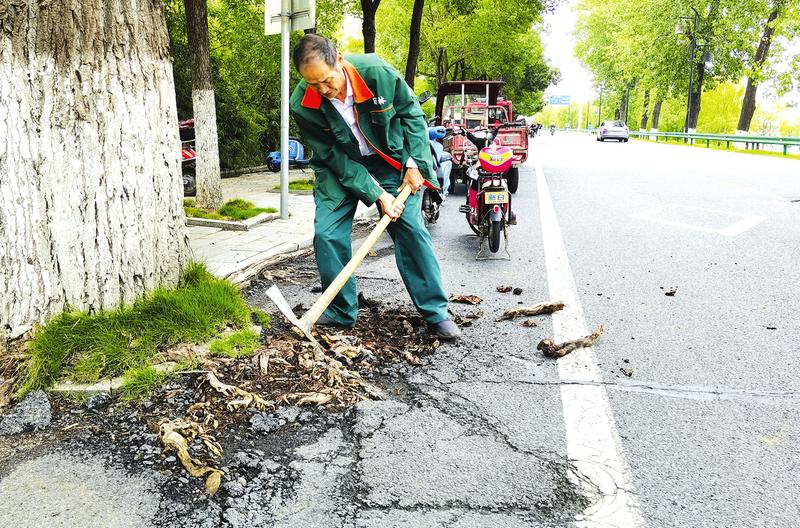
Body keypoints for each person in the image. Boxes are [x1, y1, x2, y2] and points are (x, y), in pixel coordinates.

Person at [289, 34, 460, 339]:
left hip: (388, 157)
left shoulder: (376, 73)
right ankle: (340, 311)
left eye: (327, 81)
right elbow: (331, 154)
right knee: (327, 234)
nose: (323, 90)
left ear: (339, 60)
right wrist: (377, 194)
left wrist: (414, 163)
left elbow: (411, 114)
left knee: (409, 227)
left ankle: (436, 312)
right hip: (340, 165)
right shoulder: (303, 103)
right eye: (313, 84)